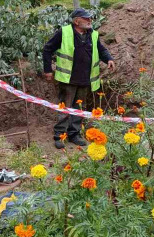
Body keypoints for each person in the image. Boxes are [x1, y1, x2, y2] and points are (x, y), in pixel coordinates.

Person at [42, 8, 116, 149]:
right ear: (77, 21)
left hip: (85, 79)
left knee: (79, 108)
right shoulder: (64, 32)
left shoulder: (93, 34)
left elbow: (101, 50)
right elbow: (47, 49)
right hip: (68, 78)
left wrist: (109, 59)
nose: (90, 21)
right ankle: (59, 135)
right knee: (65, 107)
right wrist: (47, 70)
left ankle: (74, 134)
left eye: (90, 18)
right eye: (86, 18)